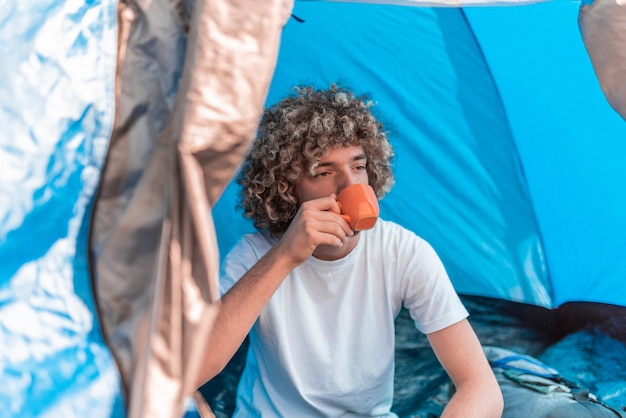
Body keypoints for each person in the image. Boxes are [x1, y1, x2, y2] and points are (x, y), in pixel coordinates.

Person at [202, 84, 503, 417]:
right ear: (286, 189)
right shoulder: (254, 255)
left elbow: (481, 386)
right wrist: (285, 255)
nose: (350, 186)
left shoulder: (404, 251)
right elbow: (196, 369)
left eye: (358, 167)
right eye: (325, 172)